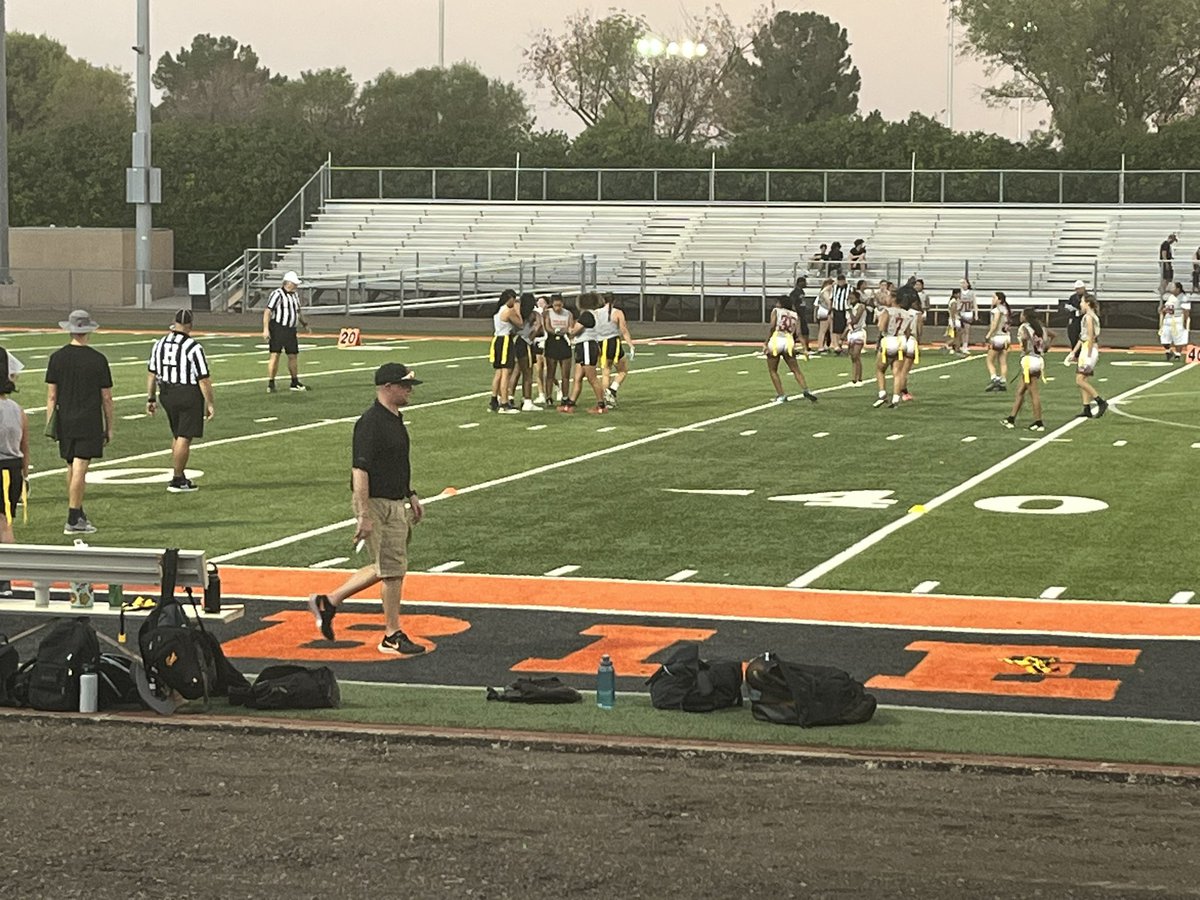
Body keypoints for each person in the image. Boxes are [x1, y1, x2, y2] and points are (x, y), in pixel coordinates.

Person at [308, 363, 427, 656]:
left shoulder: (395, 418)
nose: (409, 390)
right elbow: (360, 470)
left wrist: (410, 493)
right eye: (404, 385)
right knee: (392, 571)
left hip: (393, 500)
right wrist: (363, 514)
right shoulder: (371, 422)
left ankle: (330, 601)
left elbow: (397, 463)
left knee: (387, 567)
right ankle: (391, 634)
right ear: (387, 387)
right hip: (375, 502)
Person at [45, 309, 113, 535]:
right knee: (80, 467)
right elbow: (106, 397)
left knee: (71, 465)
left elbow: (52, 396)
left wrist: (50, 423)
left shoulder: (57, 357)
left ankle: (77, 509)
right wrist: (109, 426)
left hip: (65, 419)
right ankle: (74, 516)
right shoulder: (98, 359)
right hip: (88, 419)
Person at [146, 309, 215, 492]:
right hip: (187, 393)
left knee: (177, 434)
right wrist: (210, 403)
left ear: (174, 322)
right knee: (184, 436)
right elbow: (203, 379)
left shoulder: (159, 344)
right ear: (191, 325)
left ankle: (180, 474)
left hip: (166, 393)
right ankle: (177, 479)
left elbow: (152, 374)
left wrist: (151, 398)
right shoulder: (193, 347)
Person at [0, 364, 29, 596]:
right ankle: (5, 577)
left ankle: (4, 579)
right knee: (5, 523)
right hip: (14, 468)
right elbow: (24, 446)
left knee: (3, 524)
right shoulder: (17, 408)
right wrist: (25, 475)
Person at [1003, 309, 1055, 433]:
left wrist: (1025, 348)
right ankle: (1011, 418)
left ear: (1025, 316)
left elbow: (1025, 339)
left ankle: (1039, 422)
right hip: (1038, 359)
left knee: (1033, 393)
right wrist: (1046, 347)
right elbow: (1053, 335)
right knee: (1020, 390)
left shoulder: (1024, 327)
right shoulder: (1040, 327)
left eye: (1022, 314)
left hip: (1028, 360)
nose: (1020, 316)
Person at [763, 296, 819, 405]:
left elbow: (772, 327)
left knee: (773, 370)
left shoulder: (776, 311)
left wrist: (766, 343)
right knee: (796, 369)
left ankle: (781, 395)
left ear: (780, 303)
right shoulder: (795, 315)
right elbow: (798, 334)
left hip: (776, 340)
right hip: (789, 341)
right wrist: (805, 348)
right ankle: (806, 389)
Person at [558, 292, 606, 414]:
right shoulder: (592, 314)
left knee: (592, 378)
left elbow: (574, 331)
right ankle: (570, 404)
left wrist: (567, 329)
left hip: (587, 345)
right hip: (583, 346)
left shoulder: (587, 315)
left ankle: (601, 405)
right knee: (577, 377)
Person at [263, 271, 309, 393]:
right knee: (275, 354)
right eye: (294, 283)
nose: (296, 286)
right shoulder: (277, 294)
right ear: (288, 283)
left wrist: (304, 323)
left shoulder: (295, 295)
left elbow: (297, 311)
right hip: (278, 327)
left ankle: (294, 381)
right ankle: (271, 383)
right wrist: (266, 329)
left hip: (291, 329)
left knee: (293, 355)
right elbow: (268, 311)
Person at [595, 292, 635, 408]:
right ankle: (612, 389)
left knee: (605, 371)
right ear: (614, 301)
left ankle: (606, 397)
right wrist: (630, 345)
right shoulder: (617, 312)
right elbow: (624, 330)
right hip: (612, 342)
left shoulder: (596, 313)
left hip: (600, 343)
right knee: (622, 370)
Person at [1073, 295, 1107, 418]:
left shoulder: (1089, 317)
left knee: (1080, 380)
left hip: (1089, 349)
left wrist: (1088, 353)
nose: (1080, 304)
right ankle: (1086, 408)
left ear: (1087, 303)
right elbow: (1082, 337)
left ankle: (1100, 401)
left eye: (1082, 302)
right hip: (1086, 348)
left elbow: (1090, 335)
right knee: (1082, 379)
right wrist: (1074, 352)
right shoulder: (1088, 316)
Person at [488, 289, 521, 414]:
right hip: (505, 341)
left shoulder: (498, 310)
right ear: (510, 298)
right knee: (506, 372)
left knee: (499, 372)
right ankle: (504, 403)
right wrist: (517, 310)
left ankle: (494, 400)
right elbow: (520, 324)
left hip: (497, 340)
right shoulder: (508, 310)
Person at [510, 292, 541, 411]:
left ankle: (510, 397)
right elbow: (538, 327)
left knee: (517, 371)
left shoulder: (518, 313)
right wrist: (530, 338)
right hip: (525, 342)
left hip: (517, 341)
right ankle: (527, 400)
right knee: (528, 373)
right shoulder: (533, 315)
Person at [542, 293, 574, 404]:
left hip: (564, 343)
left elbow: (570, 327)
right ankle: (549, 396)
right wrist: (556, 330)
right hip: (551, 342)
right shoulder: (548, 313)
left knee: (565, 374)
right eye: (555, 305)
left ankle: (565, 397)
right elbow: (547, 327)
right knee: (550, 372)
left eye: (560, 305)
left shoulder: (568, 314)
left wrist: (565, 331)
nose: (558, 308)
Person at [984, 291, 1012, 392]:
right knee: (1003, 361)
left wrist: (988, 335)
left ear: (999, 300)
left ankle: (994, 378)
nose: (992, 299)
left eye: (994, 297)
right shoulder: (1006, 310)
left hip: (998, 337)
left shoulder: (997, 310)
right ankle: (1003, 380)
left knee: (989, 360)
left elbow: (995, 324)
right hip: (1006, 337)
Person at [1158, 282, 1191, 361]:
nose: (1171, 289)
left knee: (1178, 338)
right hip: (1168, 319)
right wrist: (1163, 310)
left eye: (1173, 288)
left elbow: (1186, 310)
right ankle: (1168, 351)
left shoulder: (1183, 298)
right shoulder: (1171, 297)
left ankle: (1178, 355)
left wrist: (1185, 321)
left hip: (1178, 319)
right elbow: (1165, 308)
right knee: (1164, 338)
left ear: (1178, 289)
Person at [845, 290, 868, 385]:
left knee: (856, 355)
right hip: (851, 333)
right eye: (849, 298)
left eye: (852, 298)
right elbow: (849, 323)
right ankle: (854, 378)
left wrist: (850, 312)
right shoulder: (850, 308)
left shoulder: (861, 306)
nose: (850, 300)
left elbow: (855, 320)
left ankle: (860, 378)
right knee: (852, 357)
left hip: (859, 332)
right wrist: (843, 335)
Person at [1061, 279, 1087, 364]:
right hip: (1074, 319)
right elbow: (1068, 307)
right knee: (1072, 335)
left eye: (1080, 288)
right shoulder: (1073, 297)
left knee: (1084, 337)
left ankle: (1083, 354)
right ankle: (1075, 354)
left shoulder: (1087, 297)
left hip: (1084, 319)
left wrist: (1080, 311)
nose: (1078, 290)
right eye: (1077, 289)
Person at [787, 277, 812, 357]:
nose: (806, 284)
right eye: (804, 282)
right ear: (800, 282)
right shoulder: (794, 293)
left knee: (805, 330)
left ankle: (806, 347)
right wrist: (795, 314)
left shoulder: (801, 291)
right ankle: (792, 347)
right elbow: (792, 304)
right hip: (798, 315)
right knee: (797, 332)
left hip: (802, 314)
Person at [828, 273, 850, 355]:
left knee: (846, 327)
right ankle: (837, 346)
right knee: (836, 329)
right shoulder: (834, 287)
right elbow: (831, 298)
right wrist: (830, 309)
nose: (840, 282)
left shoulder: (849, 288)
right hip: (836, 310)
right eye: (839, 281)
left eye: (842, 281)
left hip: (846, 310)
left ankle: (841, 342)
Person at [814, 277, 834, 353]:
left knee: (827, 330)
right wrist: (830, 311)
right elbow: (828, 303)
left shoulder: (824, 292)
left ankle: (825, 345)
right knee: (823, 330)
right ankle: (820, 346)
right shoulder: (825, 292)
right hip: (825, 311)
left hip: (823, 311)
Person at [957, 278, 976, 354]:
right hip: (961, 312)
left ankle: (965, 345)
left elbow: (974, 303)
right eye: (961, 283)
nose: (963, 285)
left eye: (964, 283)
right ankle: (959, 345)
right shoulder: (959, 293)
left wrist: (976, 313)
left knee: (966, 330)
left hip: (968, 312)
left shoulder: (971, 293)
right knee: (960, 330)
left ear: (967, 284)